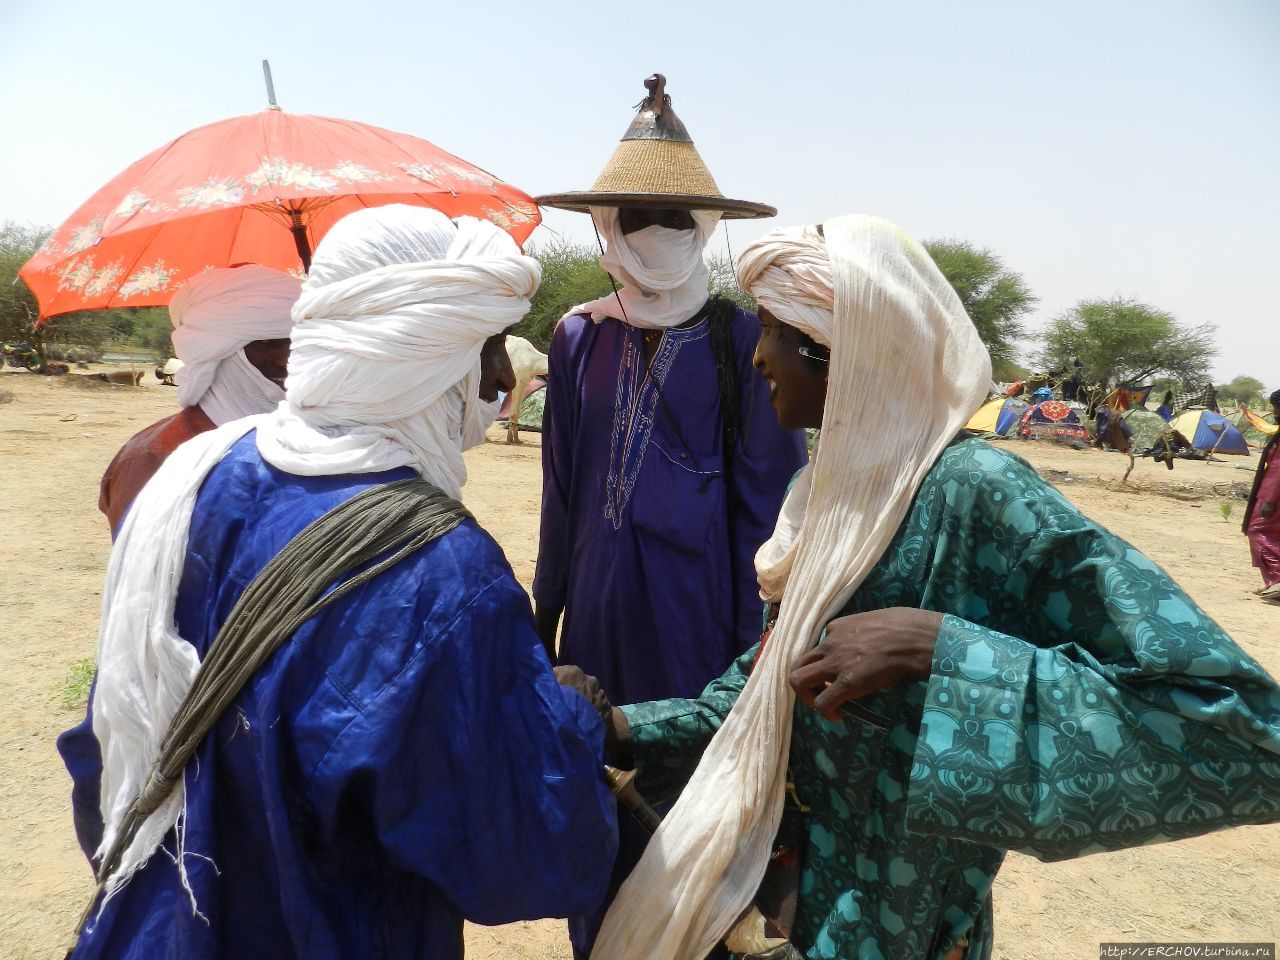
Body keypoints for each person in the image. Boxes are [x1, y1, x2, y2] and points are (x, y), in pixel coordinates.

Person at [569, 216, 1280, 960]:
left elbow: (1233, 727)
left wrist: (942, 649)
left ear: (840, 355)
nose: (756, 358)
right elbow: (762, 701)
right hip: (784, 910)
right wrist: (612, 726)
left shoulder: (981, 494)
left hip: (906, 929)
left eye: (774, 330)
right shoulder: (836, 502)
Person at [57, 207, 618, 960]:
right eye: (485, 346)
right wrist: (569, 721)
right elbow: (525, 858)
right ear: (413, 354)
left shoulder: (191, 478)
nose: (497, 380)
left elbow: (106, 741)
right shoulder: (442, 571)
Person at [533, 74, 808, 956]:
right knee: (596, 800)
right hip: (599, 617)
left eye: (679, 217)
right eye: (640, 213)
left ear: (707, 229)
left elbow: (768, 508)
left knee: (694, 815)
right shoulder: (580, 336)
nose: (660, 233)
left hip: (707, 621)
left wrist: (761, 650)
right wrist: (543, 621)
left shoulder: (739, 340)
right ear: (607, 225)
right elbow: (563, 492)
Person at [97, 265, 301, 536]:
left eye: (296, 342)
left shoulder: (316, 438)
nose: (286, 359)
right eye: (266, 343)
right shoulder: (157, 456)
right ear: (215, 351)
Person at [1243, 388, 1280, 600]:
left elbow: (1277, 469)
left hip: (1273, 495)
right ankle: (1272, 583)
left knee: (1258, 531)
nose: (1275, 412)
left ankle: (1277, 579)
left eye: (1277, 407)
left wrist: (1268, 500)